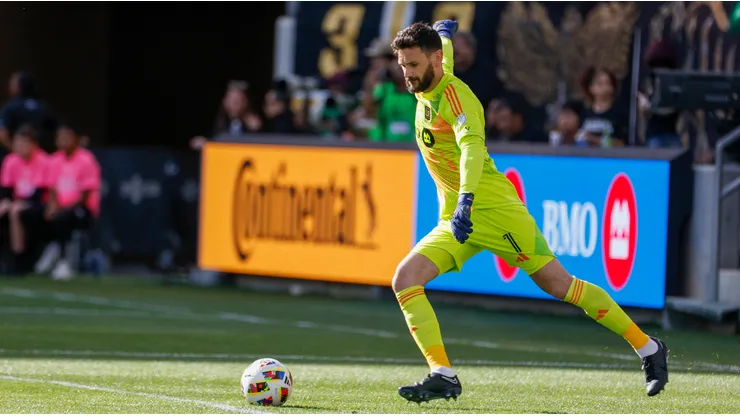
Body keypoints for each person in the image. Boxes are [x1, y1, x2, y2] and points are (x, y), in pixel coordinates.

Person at [390, 20, 669, 403]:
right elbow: (444, 54)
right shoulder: (431, 76)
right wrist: (445, 34)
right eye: (403, 65)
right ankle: (443, 374)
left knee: (560, 285)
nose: (407, 73)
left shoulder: (458, 98)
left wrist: (466, 200)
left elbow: (471, 149)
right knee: (405, 279)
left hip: (492, 210)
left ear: (434, 60)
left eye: (412, 65)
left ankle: (649, 348)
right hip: (458, 219)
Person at [35, 124, 101, 280]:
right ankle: (51, 249)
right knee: (36, 213)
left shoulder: (86, 160)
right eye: (60, 137)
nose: (63, 140)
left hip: (82, 208)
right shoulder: (54, 160)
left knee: (63, 218)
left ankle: (64, 261)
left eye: (66, 137)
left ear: (75, 139)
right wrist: (52, 206)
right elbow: (51, 189)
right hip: (59, 206)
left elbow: (85, 194)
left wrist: (62, 208)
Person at [0, 124, 49, 272]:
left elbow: (40, 192)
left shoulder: (43, 160)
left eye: (24, 143)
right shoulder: (10, 160)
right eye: (17, 142)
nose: (20, 146)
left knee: (17, 213)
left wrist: (18, 204)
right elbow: (6, 189)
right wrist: (6, 202)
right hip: (16, 202)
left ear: (33, 144)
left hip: (39, 203)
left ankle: (18, 259)